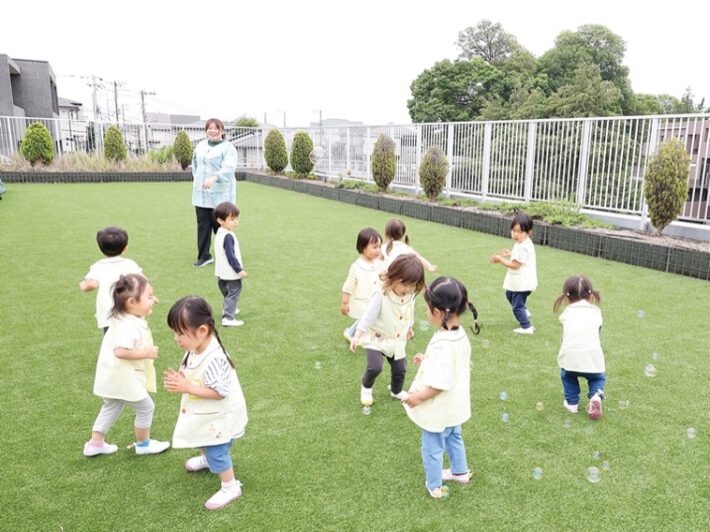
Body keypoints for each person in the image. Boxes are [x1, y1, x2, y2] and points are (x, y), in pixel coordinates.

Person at [164, 296, 249, 511]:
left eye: (180, 333)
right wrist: (181, 377)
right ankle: (207, 459)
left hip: (219, 414)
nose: (176, 338)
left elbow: (220, 393)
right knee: (202, 437)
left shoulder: (215, 358)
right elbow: (191, 366)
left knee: (217, 450)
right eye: (175, 332)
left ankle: (230, 486)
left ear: (202, 331)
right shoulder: (197, 348)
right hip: (205, 412)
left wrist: (187, 387)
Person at [402, 277, 480, 499]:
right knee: (454, 436)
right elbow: (450, 365)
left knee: (433, 446)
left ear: (437, 312)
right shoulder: (459, 334)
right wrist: (426, 359)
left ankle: (434, 485)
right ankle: (460, 472)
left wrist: (418, 397)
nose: (426, 312)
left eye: (427, 308)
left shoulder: (444, 345)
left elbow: (439, 384)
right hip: (455, 405)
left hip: (439, 408)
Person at [84, 274, 170, 457]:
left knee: (112, 405)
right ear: (132, 302)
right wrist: (146, 352)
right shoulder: (130, 325)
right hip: (124, 378)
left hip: (111, 376)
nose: (154, 300)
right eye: (149, 296)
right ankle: (143, 444)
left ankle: (95, 443)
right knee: (146, 407)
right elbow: (121, 351)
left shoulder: (121, 318)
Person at [350, 254, 426, 406]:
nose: (410, 289)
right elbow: (368, 317)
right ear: (394, 278)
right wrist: (357, 335)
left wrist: (409, 327)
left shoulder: (410, 295)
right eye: (406, 284)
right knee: (375, 367)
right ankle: (366, 387)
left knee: (401, 369)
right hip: (376, 338)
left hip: (396, 339)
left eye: (413, 285)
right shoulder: (381, 295)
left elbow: (409, 312)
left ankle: (396, 390)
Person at [554, 275, 606, 420]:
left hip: (570, 358)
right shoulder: (596, 311)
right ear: (590, 296)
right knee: (598, 378)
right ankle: (596, 395)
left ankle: (571, 403)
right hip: (592, 357)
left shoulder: (567, 312)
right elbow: (598, 329)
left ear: (567, 298)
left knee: (568, 376)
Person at [191, 118, 239, 268]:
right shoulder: (200, 146)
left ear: (222, 131)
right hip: (201, 193)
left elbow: (229, 168)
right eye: (209, 128)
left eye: (215, 128)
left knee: (221, 225)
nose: (212, 131)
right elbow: (195, 165)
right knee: (203, 225)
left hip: (221, 194)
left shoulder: (228, 148)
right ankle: (204, 256)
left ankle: (227, 255)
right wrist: (199, 180)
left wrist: (214, 178)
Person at [80, 227, 142, 334]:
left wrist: (83, 285)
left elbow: (92, 285)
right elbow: (142, 280)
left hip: (109, 313)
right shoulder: (130, 264)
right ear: (125, 248)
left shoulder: (98, 266)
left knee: (110, 342)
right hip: (129, 308)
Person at [489, 213, 538, 334]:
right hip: (522, 281)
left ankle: (527, 327)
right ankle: (524, 312)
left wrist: (500, 259)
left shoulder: (523, 246)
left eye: (520, 232)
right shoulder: (523, 243)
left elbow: (515, 265)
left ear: (528, 232)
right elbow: (521, 257)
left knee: (517, 306)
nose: (516, 234)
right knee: (509, 294)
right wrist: (511, 253)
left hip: (522, 282)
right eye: (514, 230)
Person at [341, 227, 383, 342]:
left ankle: (372, 334)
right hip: (363, 299)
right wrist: (345, 303)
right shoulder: (357, 266)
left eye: (379, 247)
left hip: (376, 297)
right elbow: (348, 286)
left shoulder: (379, 263)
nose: (378, 250)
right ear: (363, 247)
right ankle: (351, 333)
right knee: (365, 317)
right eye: (374, 247)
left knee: (374, 316)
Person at [214, 202, 248, 327]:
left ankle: (229, 308)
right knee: (234, 292)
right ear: (220, 220)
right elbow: (231, 256)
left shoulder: (220, 232)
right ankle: (228, 317)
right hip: (231, 272)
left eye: (236, 218)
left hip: (221, 272)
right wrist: (239, 270)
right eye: (232, 219)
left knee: (227, 292)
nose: (235, 222)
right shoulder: (228, 236)